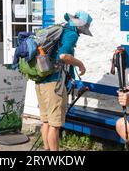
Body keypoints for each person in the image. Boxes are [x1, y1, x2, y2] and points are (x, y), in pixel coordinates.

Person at [35, 11, 93, 151]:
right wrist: (80, 64)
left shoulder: (60, 29)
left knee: (46, 122)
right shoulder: (71, 34)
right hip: (54, 84)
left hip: (41, 80)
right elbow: (63, 56)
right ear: (82, 26)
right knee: (55, 125)